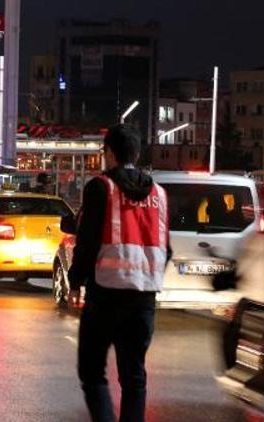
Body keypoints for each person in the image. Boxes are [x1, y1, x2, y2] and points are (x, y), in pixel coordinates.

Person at [68, 124, 171, 422]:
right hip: (143, 300)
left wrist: (75, 281)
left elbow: (87, 242)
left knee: (91, 371)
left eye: (104, 151)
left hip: (106, 296)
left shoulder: (101, 187)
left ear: (110, 153)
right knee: (134, 377)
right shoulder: (160, 195)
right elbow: (167, 247)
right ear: (136, 154)